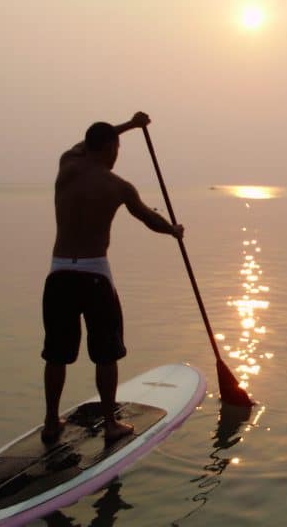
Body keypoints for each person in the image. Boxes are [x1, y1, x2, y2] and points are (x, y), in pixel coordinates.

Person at [41, 112, 184, 443]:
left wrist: (130, 126)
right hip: (94, 276)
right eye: (116, 147)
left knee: (56, 355)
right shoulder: (117, 186)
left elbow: (88, 140)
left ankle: (50, 422)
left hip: (59, 273)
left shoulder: (67, 165)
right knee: (106, 353)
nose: (117, 153)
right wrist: (173, 230)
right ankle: (110, 424)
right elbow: (148, 218)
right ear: (109, 148)